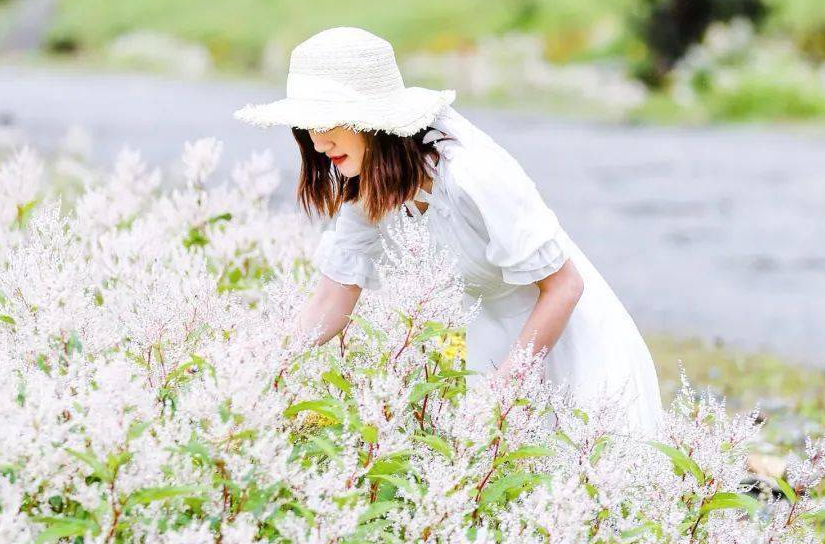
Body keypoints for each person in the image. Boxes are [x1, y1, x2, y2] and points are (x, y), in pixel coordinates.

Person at [234, 26, 664, 436]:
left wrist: (503, 393)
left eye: (326, 122)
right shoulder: (372, 188)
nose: (317, 142)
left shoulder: (472, 174)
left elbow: (566, 287)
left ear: (371, 121)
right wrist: (253, 360)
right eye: (307, 126)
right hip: (494, 349)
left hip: (571, 344)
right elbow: (332, 299)